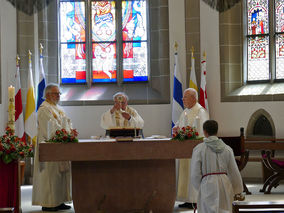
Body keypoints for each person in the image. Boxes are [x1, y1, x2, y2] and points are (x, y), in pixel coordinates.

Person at [32, 84, 72, 211]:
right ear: (48, 94)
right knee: (50, 175)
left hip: (59, 146)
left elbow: (68, 123)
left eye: (59, 93)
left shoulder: (58, 108)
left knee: (59, 175)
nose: (58, 96)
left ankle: (58, 201)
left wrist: (69, 132)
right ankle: (48, 203)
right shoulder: (44, 109)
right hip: (49, 146)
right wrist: (63, 133)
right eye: (56, 93)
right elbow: (49, 128)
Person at [190, 120, 243, 213]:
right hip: (224, 184)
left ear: (204, 132)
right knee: (225, 209)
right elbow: (233, 171)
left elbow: (195, 173)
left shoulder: (199, 149)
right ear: (217, 131)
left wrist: (200, 186)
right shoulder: (227, 149)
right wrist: (237, 189)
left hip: (207, 184)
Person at [173, 88, 209, 208]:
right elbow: (179, 124)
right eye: (183, 97)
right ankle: (188, 199)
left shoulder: (200, 112)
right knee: (186, 174)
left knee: (193, 173)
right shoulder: (185, 112)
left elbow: (201, 132)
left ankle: (195, 199)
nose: (182, 99)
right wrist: (176, 128)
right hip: (184, 149)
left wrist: (188, 133)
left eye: (185, 97)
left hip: (195, 149)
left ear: (194, 98)